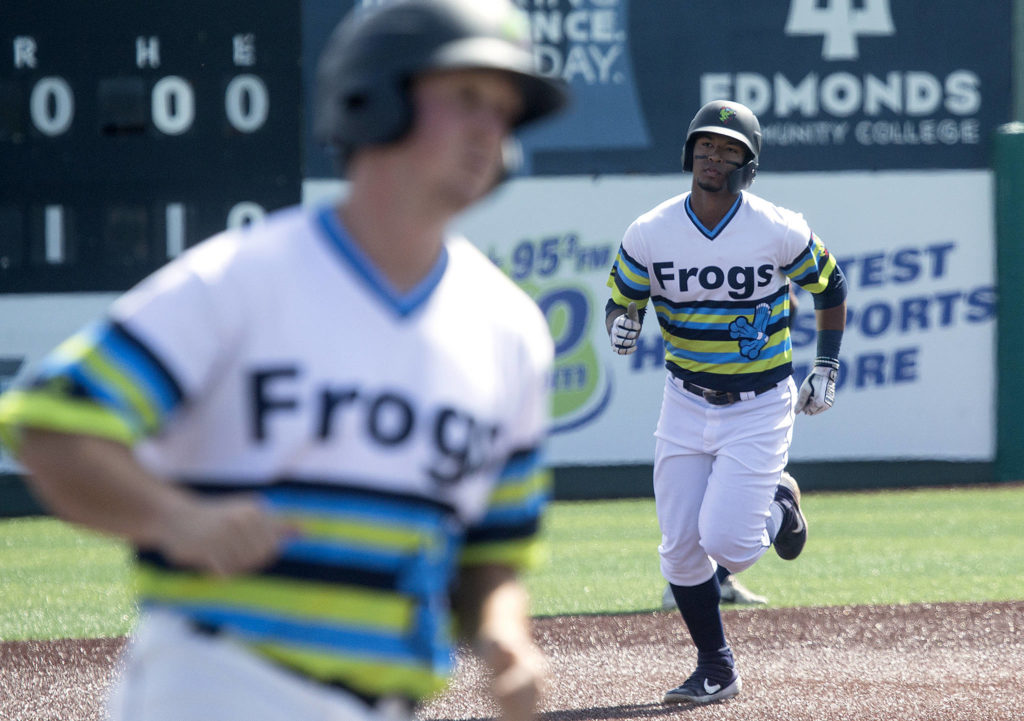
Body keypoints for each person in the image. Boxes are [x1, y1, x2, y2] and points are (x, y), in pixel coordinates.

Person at [0, 2, 567, 720]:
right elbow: (54, 425)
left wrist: (503, 633)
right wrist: (176, 518)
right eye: (466, 97)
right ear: (375, 98)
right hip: (215, 687)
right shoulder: (246, 276)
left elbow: (494, 544)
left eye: (506, 110)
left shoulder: (510, 328)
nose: (493, 129)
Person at [606, 99, 847, 706]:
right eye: (706, 146)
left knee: (730, 544)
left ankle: (780, 501)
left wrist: (826, 363)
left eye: (728, 149)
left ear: (749, 162)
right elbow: (620, 299)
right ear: (689, 153)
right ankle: (716, 667)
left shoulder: (776, 226)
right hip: (684, 400)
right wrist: (619, 323)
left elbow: (831, 284)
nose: (714, 157)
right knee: (680, 549)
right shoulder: (651, 229)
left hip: (759, 403)